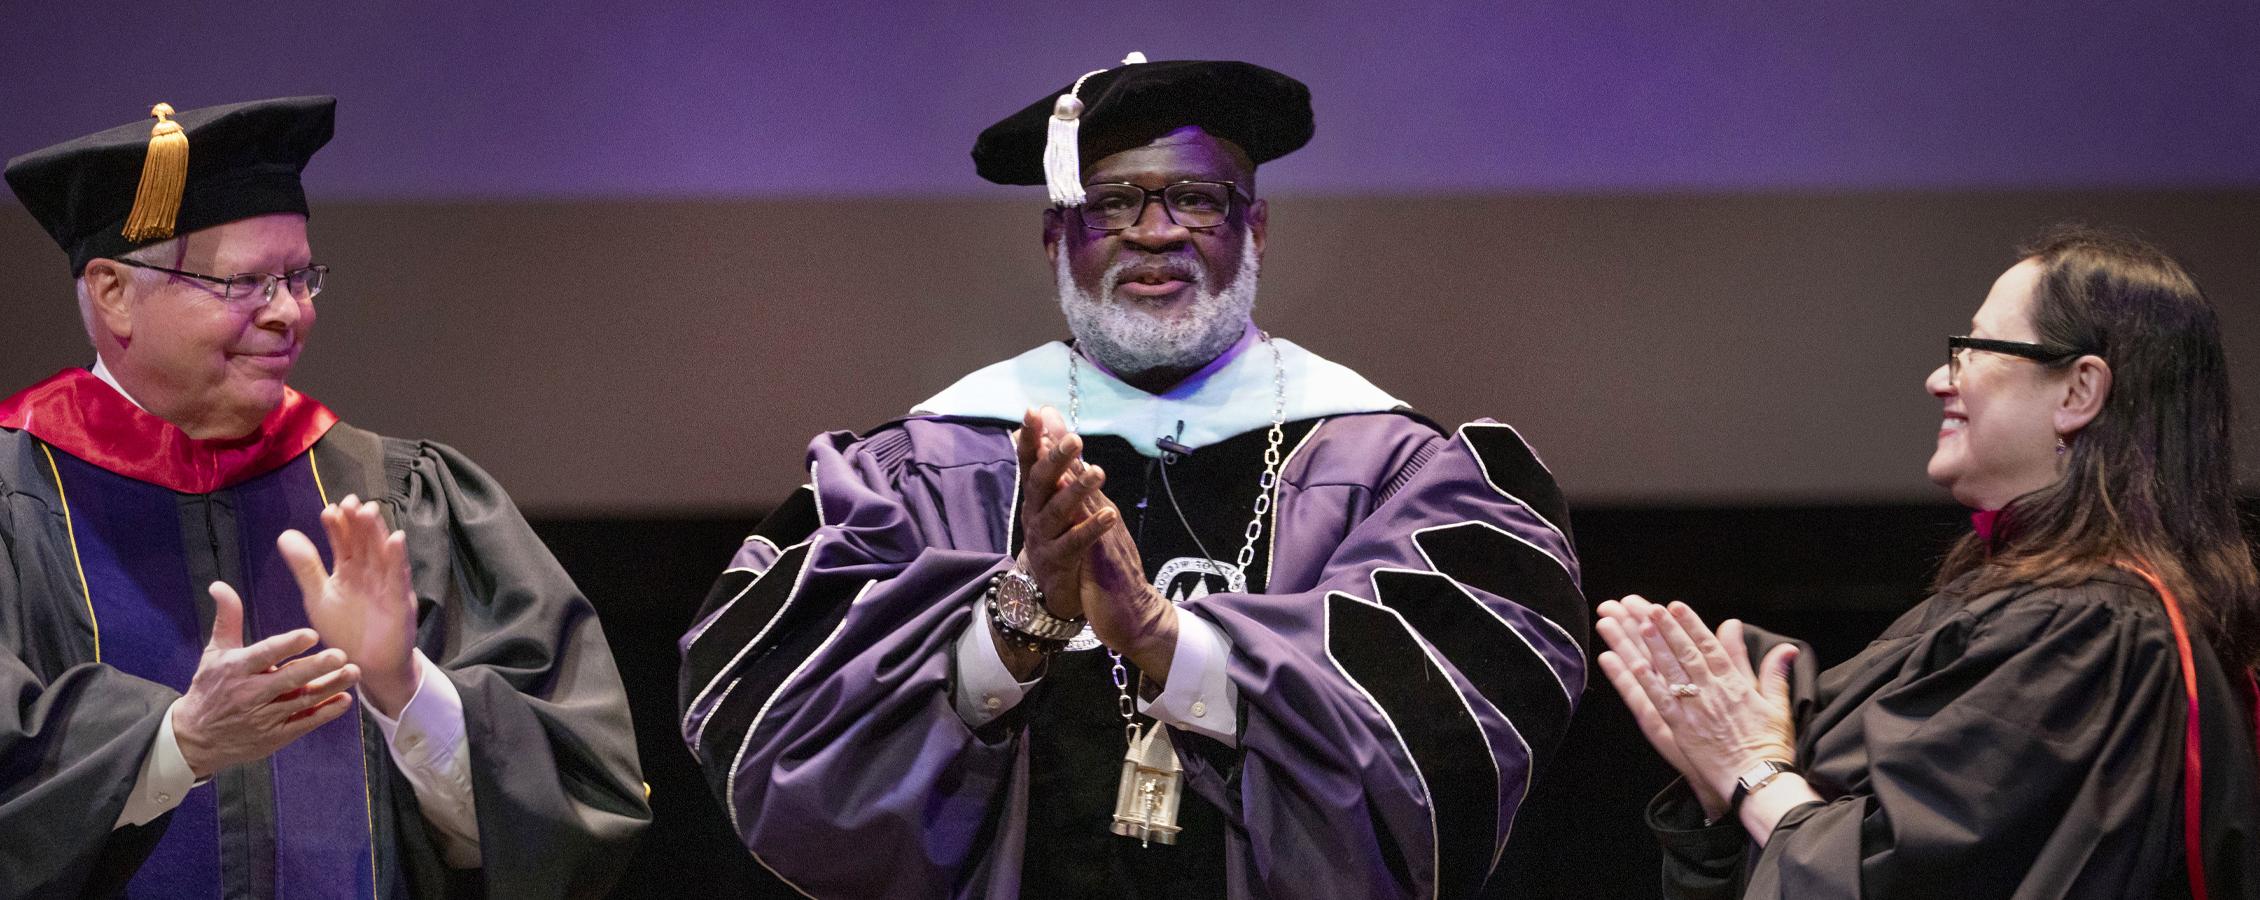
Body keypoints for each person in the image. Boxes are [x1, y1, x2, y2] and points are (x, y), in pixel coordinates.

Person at [679, 55, 1588, 898]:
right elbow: (793, 741)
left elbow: (1438, 744)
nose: (1154, 233)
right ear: (1054, 236)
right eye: (1111, 204)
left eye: (1196, 199)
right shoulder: (927, 464)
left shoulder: (1393, 469)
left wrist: (1163, 639)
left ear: (1255, 226)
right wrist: (1016, 622)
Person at [0, 97, 649, 898]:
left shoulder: (400, 499)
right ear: (112, 294)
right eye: (243, 282)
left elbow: (579, 806)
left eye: (299, 277)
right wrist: (178, 745)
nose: (288, 313)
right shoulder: (15, 503)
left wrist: (403, 689)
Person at [1596, 227, 2260, 898]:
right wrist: (1724, 792)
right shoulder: (2034, 607)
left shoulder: (2090, 633)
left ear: (2077, 393)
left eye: (1973, 348)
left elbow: (1913, 880)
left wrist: (1753, 771)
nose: (1940, 378)